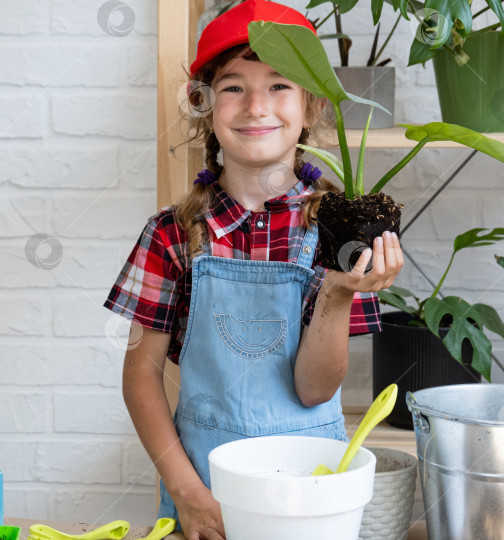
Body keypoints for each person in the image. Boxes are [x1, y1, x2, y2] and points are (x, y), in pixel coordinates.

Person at [104, 1, 404, 538]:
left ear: (310, 107)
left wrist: (338, 292)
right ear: (206, 107)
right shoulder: (171, 234)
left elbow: (313, 390)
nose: (256, 106)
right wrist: (188, 494)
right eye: (233, 86)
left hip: (311, 495)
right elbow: (141, 374)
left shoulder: (341, 235)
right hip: (203, 496)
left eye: (280, 85)